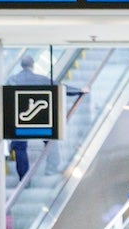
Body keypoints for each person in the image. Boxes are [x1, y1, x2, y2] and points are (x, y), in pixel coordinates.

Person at [6, 53, 87, 182]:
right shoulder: (40, 79)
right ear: (32, 66)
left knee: (20, 146)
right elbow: (62, 88)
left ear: (21, 66)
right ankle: (51, 169)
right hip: (40, 118)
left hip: (19, 120)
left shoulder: (12, 80)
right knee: (50, 140)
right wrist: (79, 91)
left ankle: (24, 178)